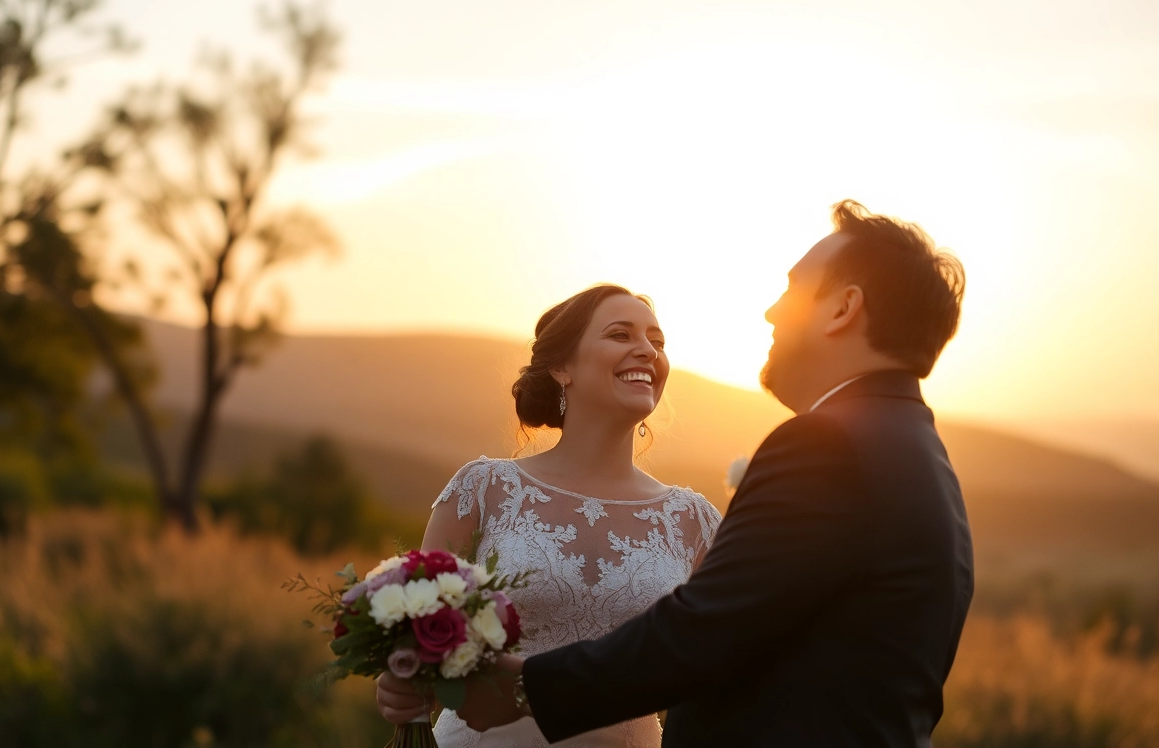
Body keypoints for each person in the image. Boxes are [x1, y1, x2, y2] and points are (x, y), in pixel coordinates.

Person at [389, 199, 975, 746]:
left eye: (793, 291)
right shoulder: (920, 456)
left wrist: (526, 688)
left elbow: (704, 634)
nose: (772, 310)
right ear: (561, 368)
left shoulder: (827, 448)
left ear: (844, 308)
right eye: (620, 334)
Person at [381, 284, 722, 747]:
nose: (646, 350)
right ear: (563, 367)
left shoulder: (694, 522)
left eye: (657, 342)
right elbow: (419, 637)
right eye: (621, 335)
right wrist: (403, 682)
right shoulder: (484, 490)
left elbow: (720, 670)